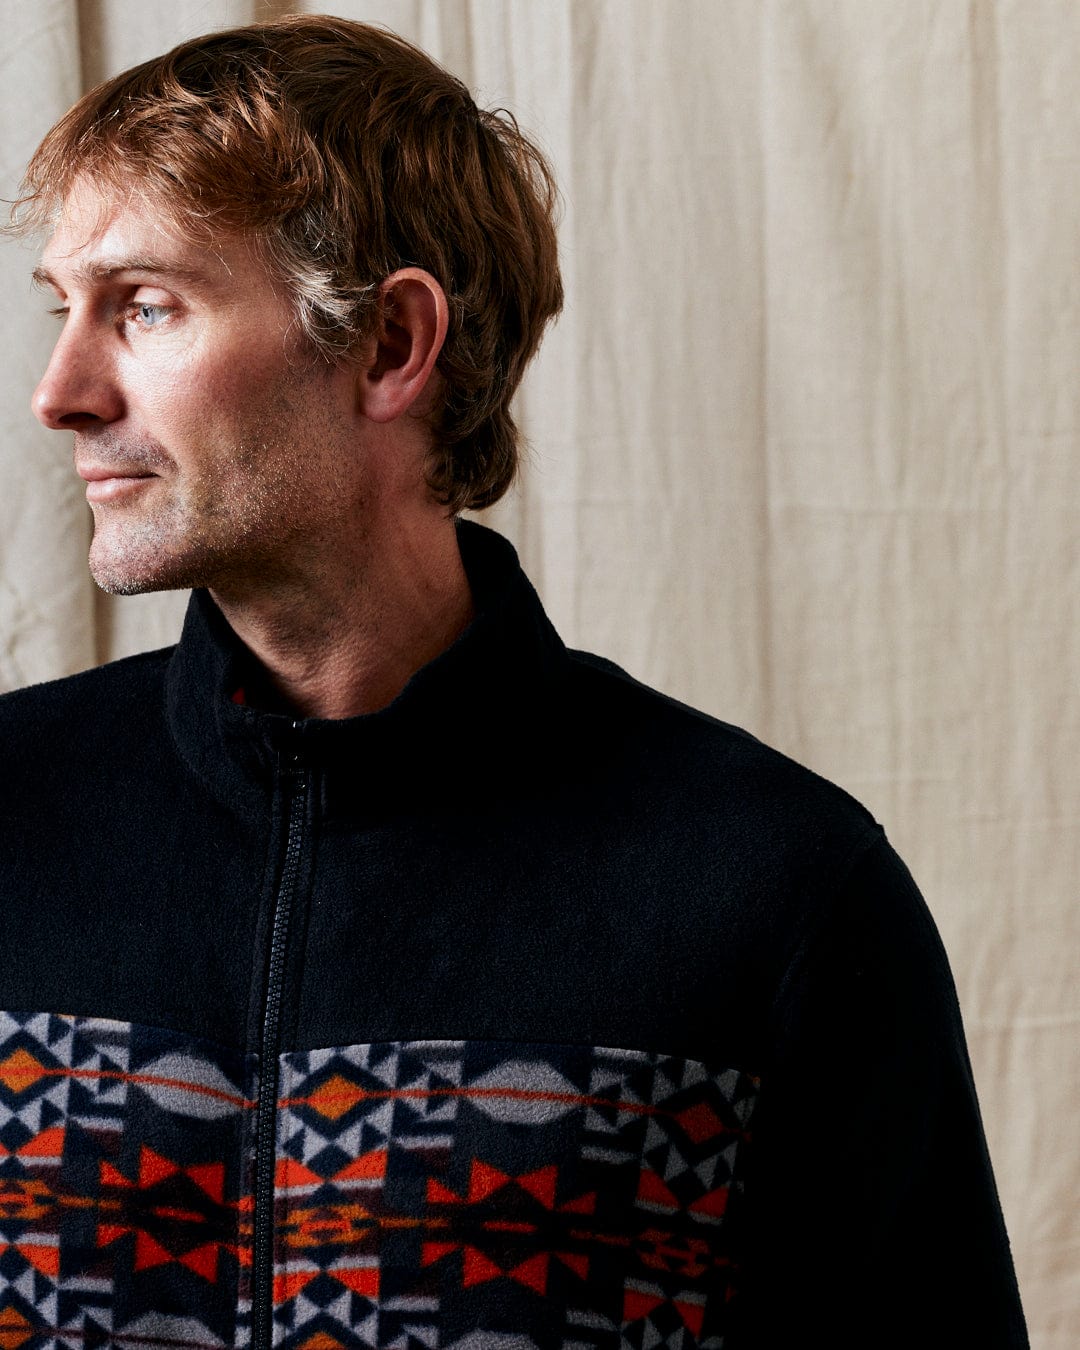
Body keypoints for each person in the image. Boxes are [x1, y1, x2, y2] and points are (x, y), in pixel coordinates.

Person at [0, 15, 1027, 1349]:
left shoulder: (772, 892)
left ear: (387, 343)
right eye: (63, 309)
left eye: (144, 305)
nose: (61, 390)